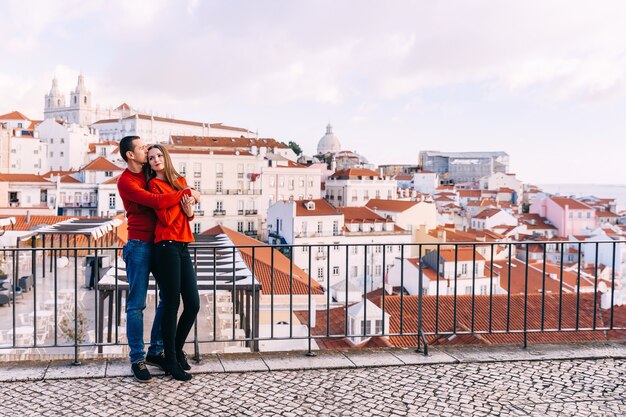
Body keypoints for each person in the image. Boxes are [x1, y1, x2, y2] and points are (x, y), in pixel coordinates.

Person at [117, 136, 200, 383]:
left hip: (162, 243)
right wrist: (187, 192)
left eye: (150, 151)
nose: (147, 152)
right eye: (142, 149)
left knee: (168, 299)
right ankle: (137, 359)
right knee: (137, 304)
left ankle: (157, 351)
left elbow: (178, 193)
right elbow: (157, 202)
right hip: (140, 244)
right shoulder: (126, 181)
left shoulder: (148, 171)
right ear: (130, 155)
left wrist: (191, 199)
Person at [146, 144, 200, 381]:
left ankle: (176, 351)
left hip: (183, 244)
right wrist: (184, 200)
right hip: (165, 245)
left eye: (159, 155)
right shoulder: (153, 185)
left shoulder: (179, 180)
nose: (156, 160)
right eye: (150, 158)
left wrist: (187, 210)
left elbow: (189, 215)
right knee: (171, 303)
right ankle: (169, 359)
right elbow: (166, 217)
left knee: (193, 303)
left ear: (166, 157)